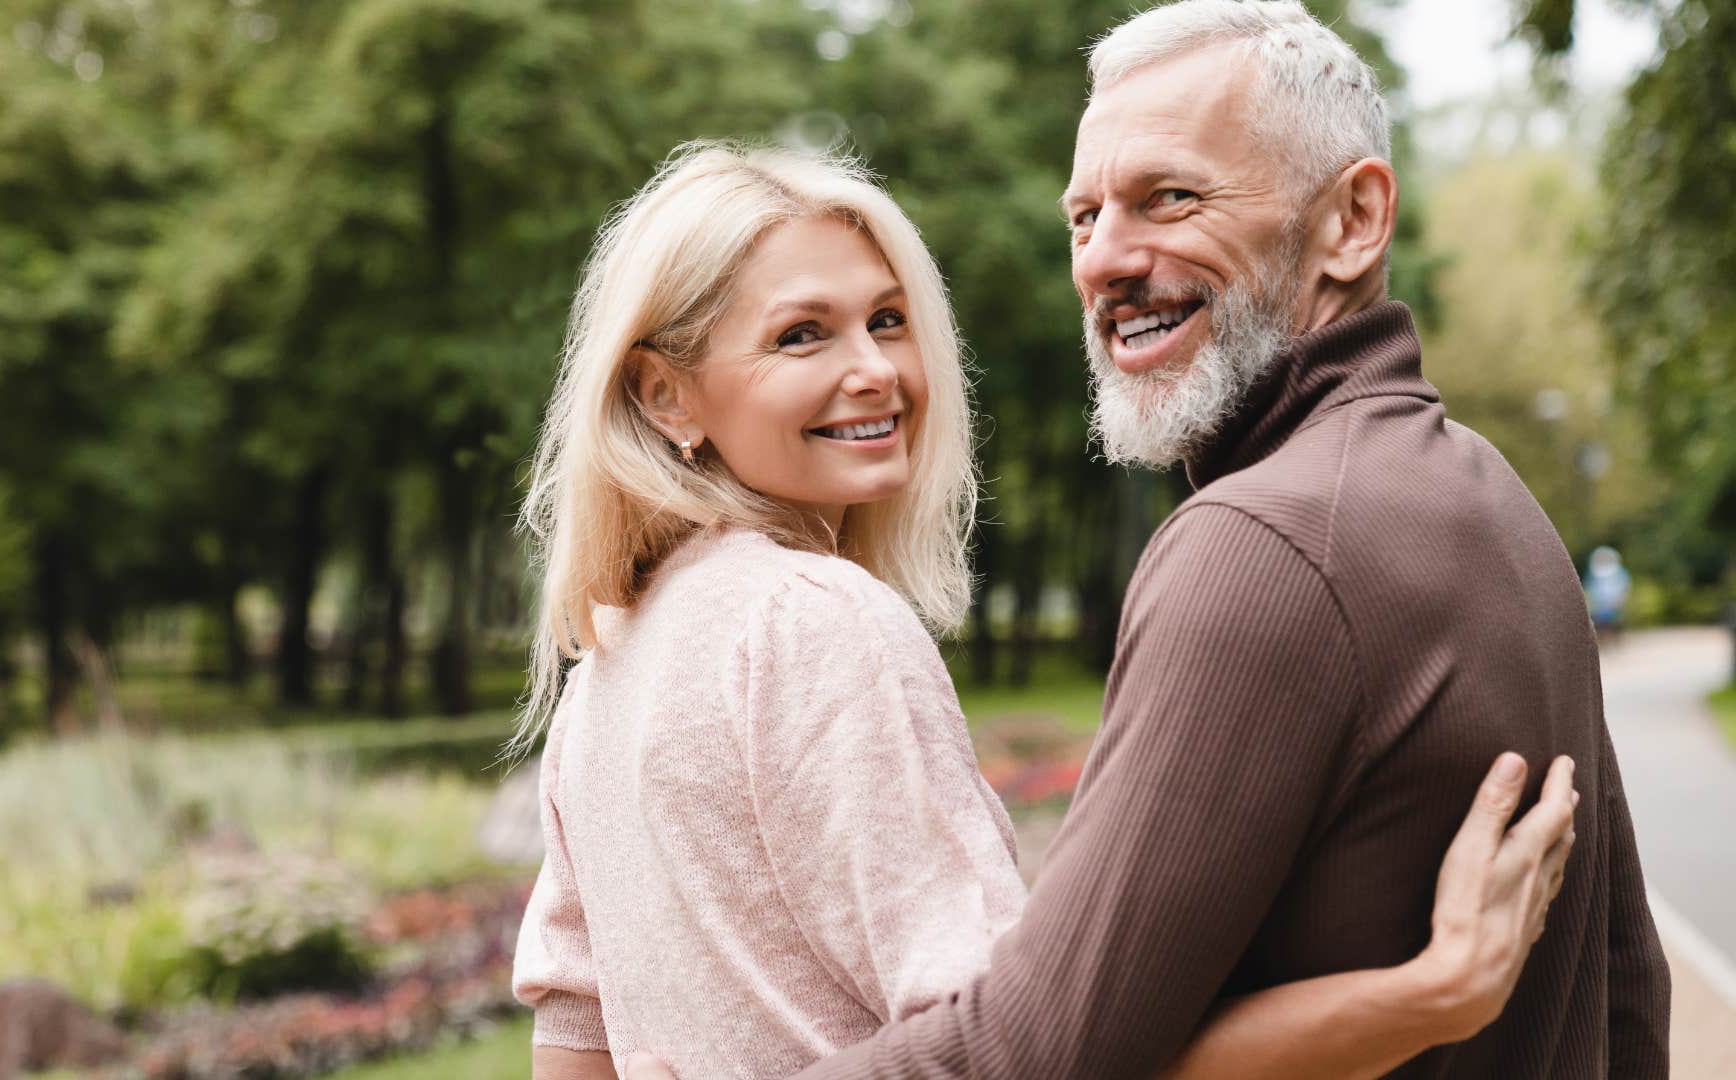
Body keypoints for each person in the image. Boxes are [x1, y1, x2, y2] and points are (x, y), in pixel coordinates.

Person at [623, 2, 1671, 1077]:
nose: (1105, 262)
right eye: (1084, 218)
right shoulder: (1502, 506)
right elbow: (1628, 991)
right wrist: (1416, 999)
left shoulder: (1263, 544)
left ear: (1353, 220)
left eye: (1170, 198)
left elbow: (1034, 1053)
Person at [1585, 545, 1632, 647]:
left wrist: (1620, 599)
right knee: (1601, 624)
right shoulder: (1594, 573)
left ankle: (1615, 643)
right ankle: (1603, 643)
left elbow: (1624, 586)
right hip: (1600, 604)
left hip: (1612, 603)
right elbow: (1590, 587)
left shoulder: (1619, 572)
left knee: (1614, 623)